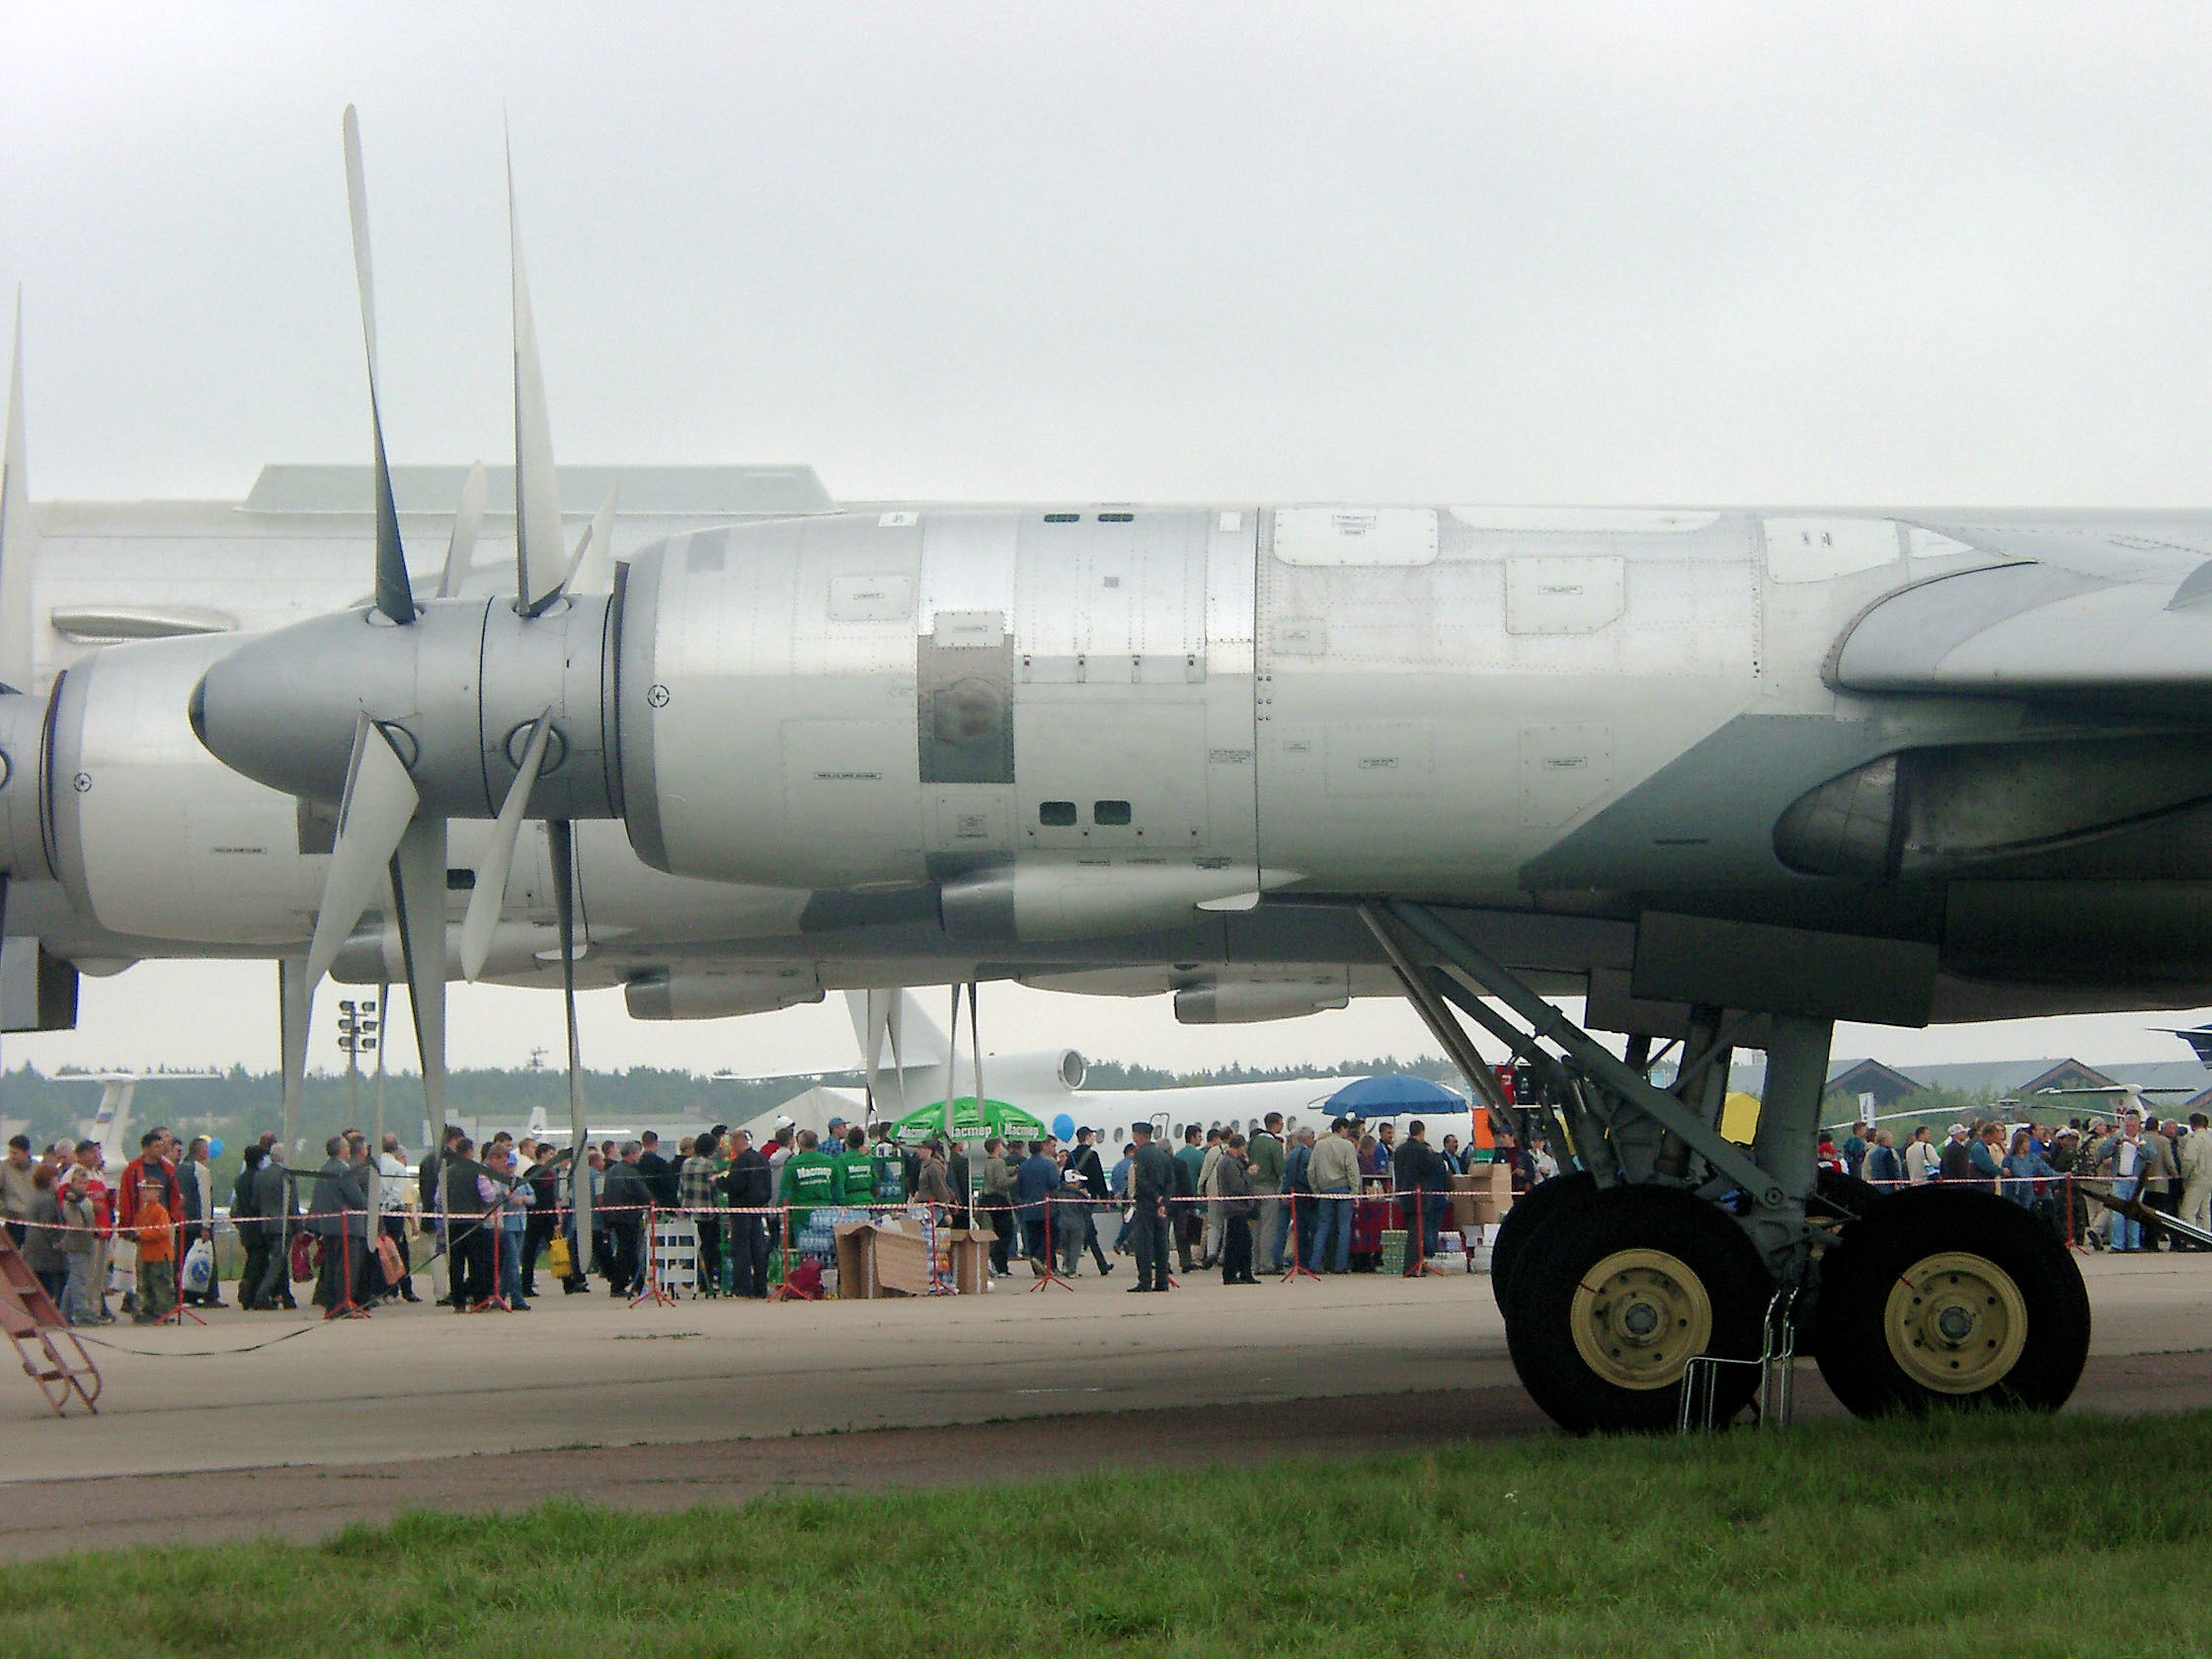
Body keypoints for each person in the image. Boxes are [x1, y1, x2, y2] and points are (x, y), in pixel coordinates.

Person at [308, 1134, 370, 1315]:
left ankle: (332, 1304)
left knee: (332, 1267)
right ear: (341, 1150)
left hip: (329, 1227)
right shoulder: (343, 1171)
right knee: (346, 1268)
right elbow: (358, 1199)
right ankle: (343, 1303)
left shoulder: (324, 1169)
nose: (349, 1149)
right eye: (346, 1147)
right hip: (347, 1227)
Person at [722, 1130, 773, 1298]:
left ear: (737, 1143)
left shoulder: (740, 1162)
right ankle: (761, 1287)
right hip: (758, 1210)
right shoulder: (762, 1159)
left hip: (741, 1211)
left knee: (741, 1250)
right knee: (758, 1250)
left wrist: (720, 1182)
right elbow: (768, 1187)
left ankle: (743, 1287)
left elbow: (735, 1185)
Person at [1305, 1117, 1361, 1274]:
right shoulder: (1347, 1146)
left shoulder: (1319, 1145)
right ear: (1343, 1128)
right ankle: (1340, 1265)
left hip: (1325, 1190)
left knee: (1322, 1227)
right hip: (1343, 1189)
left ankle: (1315, 1263)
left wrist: (1316, 1189)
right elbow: (1352, 1169)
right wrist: (1354, 1190)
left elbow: (1311, 1170)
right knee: (1344, 1227)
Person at [1127, 1123, 1175, 1292]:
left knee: (1144, 1243)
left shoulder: (1140, 1154)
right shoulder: (1162, 1155)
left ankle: (1145, 1280)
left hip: (1146, 1204)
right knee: (1161, 1243)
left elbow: (1141, 1180)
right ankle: (1162, 1281)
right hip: (1161, 1207)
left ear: (1140, 1136)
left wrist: (1155, 1197)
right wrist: (1164, 1201)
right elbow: (1170, 1181)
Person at [250, 1141, 298, 1310]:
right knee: (278, 1261)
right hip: (283, 1225)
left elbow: (255, 1202)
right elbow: (292, 1204)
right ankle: (261, 1295)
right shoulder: (287, 1175)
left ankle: (287, 1297)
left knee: (280, 1260)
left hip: (266, 1223)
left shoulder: (260, 1175)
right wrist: (299, 1226)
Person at [601, 1142, 652, 1297]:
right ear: (631, 1153)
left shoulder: (612, 1171)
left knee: (627, 1250)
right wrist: (652, 1203)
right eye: (638, 1153)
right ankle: (619, 1284)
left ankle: (638, 1283)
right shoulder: (630, 1172)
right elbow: (641, 1192)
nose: (639, 1156)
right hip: (628, 1215)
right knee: (627, 1250)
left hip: (615, 1215)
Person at [1062, 1128, 1112, 1277]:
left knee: (1087, 1231)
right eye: (1092, 1136)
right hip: (1086, 1198)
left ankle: (1101, 1264)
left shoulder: (1071, 1155)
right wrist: (1103, 1198)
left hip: (1071, 1196)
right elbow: (1098, 1177)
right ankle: (1097, 1265)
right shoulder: (1092, 1155)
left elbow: (1064, 1175)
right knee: (1087, 1230)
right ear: (1088, 1137)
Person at [376, 1134, 421, 1303]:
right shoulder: (398, 1168)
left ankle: (383, 1290)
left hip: (378, 1211)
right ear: (396, 1149)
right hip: (393, 1213)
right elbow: (397, 1194)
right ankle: (396, 1288)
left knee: (380, 1252)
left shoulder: (376, 1165)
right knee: (396, 1252)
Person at [488, 1146, 532, 1309]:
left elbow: (532, 1198)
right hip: (507, 1226)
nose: (510, 1168)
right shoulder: (500, 1182)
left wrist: (523, 1199)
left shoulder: (519, 1181)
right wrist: (512, 1197)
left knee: (509, 1264)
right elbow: (504, 1198)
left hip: (521, 1224)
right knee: (513, 1262)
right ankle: (517, 1298)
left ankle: (499, 1295)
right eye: (508, 1165)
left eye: (512, 1165)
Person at [682, 1131, 725, 1297]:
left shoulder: (686, 1163)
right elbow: (715, 1190)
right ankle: (706, 1280)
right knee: (709, 1247)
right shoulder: (710, 1165)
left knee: (694, 1246)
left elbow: (681, 1189)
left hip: (689, 1211)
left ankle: (692, 1275)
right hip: (707, 1212)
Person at [2099, 1113, 2150, 1252]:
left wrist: (2137, 1145)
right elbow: (2102, 1152)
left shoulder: (2143, 1140)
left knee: (2135, 1212)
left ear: (2138, 1127)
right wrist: (2115, 1143)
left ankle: (2134, 1244)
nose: (2130, 1129)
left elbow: (2151, 1154)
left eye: (2133, 1126)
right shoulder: (2117, 1138)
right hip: (2120, 1179)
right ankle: (2117, 1244)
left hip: (2136, 1181)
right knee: (2117, 1213)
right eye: (2127, 1126)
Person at [56, 1167, 100, 1324]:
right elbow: (76, 1224)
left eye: (85, 1183)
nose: (82, 1185)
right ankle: (81, 1312)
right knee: (78, 1279)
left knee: (75, 1279)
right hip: (75, 1244)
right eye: (79, 1182)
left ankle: (63, 1313)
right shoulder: (71, 1201)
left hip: (86, 1243)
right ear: (73, 1182)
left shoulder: (85, 1200)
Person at [131, 1177, 177, 1325]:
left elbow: (163, 1231)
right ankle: (149, 1310)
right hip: (146, 1254)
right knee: (147, 1284)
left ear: (157, 1192)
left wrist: (142, 1234)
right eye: (143, 1189)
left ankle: (164, 1312)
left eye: (148, 1189)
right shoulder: (142, 1211)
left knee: (161, 1284)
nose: (144, 1192)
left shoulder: (160, 1211)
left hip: (159, 1254)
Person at [1216, 1134, 1260, 1285]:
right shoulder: (1228, 1163)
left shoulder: (1235, 1161)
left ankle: (1245, 1272)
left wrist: (1245, 1165)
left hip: (1239, 1207)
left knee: (1244, 1242)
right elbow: (1237, 1186)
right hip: (1235, 1207)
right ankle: (1231, 1274)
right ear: (1239, 1147)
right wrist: (1248, 1173)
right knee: (1235, 1242)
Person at [1247, 1113, 1288, 1274]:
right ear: (1276, 1124)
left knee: (1256, 1228)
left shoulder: (1254, 1141)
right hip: (1269, 1187)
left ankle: (1255, 1263)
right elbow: (1280, 1169)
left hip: (1253, 1187)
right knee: (1268, 1227)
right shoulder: (1275, 1145)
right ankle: (1266, 1263)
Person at [21, 1163, 65, 1306]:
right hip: (45, 1251)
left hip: (32, 1247)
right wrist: (58, 1242)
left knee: (37, 1284)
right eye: (56, 1178)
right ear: (49, 1180)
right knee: (48, 1286)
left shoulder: (34, 1197)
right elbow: (49, 1225)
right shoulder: (47, 1200)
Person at [1013, 1139, 1059, 1272]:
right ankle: (1039, 1258)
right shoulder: (1048, 1164)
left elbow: (1019, 1188)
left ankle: (1036, 1266)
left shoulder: (1023, 1166)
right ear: (1041, 1148)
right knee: (1052, 1235)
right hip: (1046, 1206)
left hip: (1029, 1207)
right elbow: (1054, 1183)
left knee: (1033, 1237)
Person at [233, 1145, 270, 1308]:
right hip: (258, 1226)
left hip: (245, 1226)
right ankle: (248, 1293)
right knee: (257, 1262)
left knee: (253, 1259)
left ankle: (251, 1293)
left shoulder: (240, 1179)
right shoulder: (258, 1178)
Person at [1172, 1127, 1206, 1274]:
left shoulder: (1178, 1156)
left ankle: (1183, 1259)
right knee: (1196, 1230)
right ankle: (1192, 1259)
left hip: (1176, 1198)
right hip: (1194, 1197)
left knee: (1179, 1231)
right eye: (1199, 1136)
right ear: (1192, 1138)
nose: (1201, 1139)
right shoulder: (1200, 1156)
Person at [1284, 1127, 1317, 1268]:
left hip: (1294, 1194)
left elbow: (1287, 1175)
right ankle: (1309, 1261)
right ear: (1307, 1138)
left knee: (1299, 1229)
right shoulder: (1308, 1153)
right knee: (1312, 1228)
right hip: (1306, 1194)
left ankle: (1300, 1261)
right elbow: (1310, 1174)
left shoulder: (1291, 1155)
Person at [2179, 1113, 2212, 1244]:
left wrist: (2184, 1174)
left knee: (2187, 1212)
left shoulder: (2195, 1139)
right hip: (2209, 1179)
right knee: (2204, 1211)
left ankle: (2192, 1240)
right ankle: (2206, 1237)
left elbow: (2189, 1159)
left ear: (2192, 1124)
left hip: (2197, 1178)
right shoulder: (2210, 1138)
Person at [1, 1133, 36, 1246]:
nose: (12, 1156)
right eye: (10, 1152)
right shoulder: (3, 1168)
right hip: (13, 1222)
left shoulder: (38, 1168)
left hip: (34, 1222)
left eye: (15, 1153)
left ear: (26, 1152)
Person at [637, 1131, 678, 1209]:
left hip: (641, 1203)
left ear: (642, 1143)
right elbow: (669, 1186)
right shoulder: (661, 1163)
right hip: (660, 1203)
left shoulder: (637, 1163)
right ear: (656, 1143)